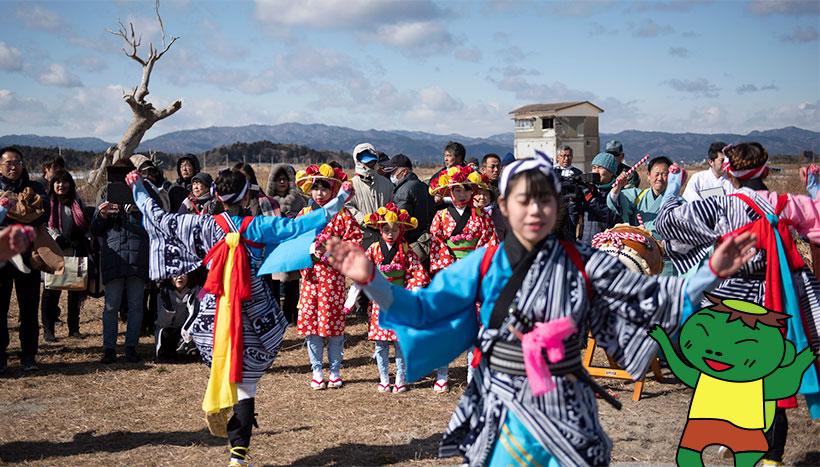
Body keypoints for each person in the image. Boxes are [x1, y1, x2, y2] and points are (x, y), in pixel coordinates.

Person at [324, 149, 757, 466]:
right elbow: (421, 310)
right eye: (523, 200)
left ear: (557, 205)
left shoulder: (585, 262)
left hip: (566, 411)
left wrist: (710, 273)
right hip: (501, 410)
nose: (535, 210)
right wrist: (372, 280)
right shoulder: (484, 265)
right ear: (503, 208)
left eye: (544, 199)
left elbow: (653, 298)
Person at [125, 166, 353, 467]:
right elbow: (304, 224)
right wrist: (341, 199)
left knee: (223, 367)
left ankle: (219, 404)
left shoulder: (204, 225)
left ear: (217, 195)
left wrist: (138, 188)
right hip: (255, 314)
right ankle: (238, 455)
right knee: (247, 386)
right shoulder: (258, 227)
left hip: (216, 314)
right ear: (247, 197)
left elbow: (159, 219)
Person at [655, 142, 820, 466]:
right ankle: (772, 458)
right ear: (764, 169)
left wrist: (675, 187)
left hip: (736, 303)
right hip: (786, 301)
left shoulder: (719, 208)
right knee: (771, 379)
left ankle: (735, 439)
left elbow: (666, 223)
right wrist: (814, 189)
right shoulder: (786, 204)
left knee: (737, 379)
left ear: (729, 172)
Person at [345, 203, 430, 393]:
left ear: (401, 229)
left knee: (400, 343)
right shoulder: (374, 249)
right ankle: (384, 378)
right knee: (380, 344)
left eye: (395, 229)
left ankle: (400, 378)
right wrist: (351, 300)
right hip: (379, 303)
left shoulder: (406, 250)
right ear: (379, 230)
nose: (390, 233)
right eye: (386, 229)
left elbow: (416, 273)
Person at [428, 165, 497, 392]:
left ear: (472, 191)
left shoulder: (481, 217)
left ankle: (472, 374)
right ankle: (442, 375)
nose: (461, 194)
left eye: (466, 190)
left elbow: (489, 244)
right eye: (456, 190)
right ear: (449, 192)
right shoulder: (440, 217)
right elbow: (437, 244)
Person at [294, 164, 362, 390]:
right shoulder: (304, 214)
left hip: (332, 279)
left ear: (334, 190)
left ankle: (334, 370)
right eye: (315, 188)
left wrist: (333, 249)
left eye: (325, 188)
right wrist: (309, 248)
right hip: (311, 278)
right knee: (312, 326)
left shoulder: (343, 215)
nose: (320, 193)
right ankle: (316, 369)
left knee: (333, 326)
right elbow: (293, 241)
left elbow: (356, 241)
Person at [91, 158, 149, 364]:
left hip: (137, 255)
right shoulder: (106, 193)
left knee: (135, 305)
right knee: (111, 305)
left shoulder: (142, 192)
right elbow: (95, 229)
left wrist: (140, 212)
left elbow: (155, 223)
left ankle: (131, 346)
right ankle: (109, 348)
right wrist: (102, 214)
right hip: (114, 253)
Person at [0, 146, 49, 372]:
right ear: (0, 167)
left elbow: (44, 211)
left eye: (17, 162)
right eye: (8, 162)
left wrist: (18, 207)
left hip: (29, 256)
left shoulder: (35, 187)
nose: (13, 166)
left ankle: (28, 355)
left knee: (28, 309)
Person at [41, 170, 89, 341]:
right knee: (51, 291)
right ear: (52, 184)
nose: (61, 185)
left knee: (74, 291)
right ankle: (48, 330)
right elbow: (44, 225)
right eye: (58, 182)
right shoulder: (47, 202)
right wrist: (57, 237)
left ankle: (74, 329)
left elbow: (84, 224)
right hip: (53, 251)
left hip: (75, 249)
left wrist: (78, 239)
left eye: (65, 181)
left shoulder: (77, 202)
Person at [265, 163, 307, 324]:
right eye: (278, 179)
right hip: (274, 248)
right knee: (274, 284)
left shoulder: (300, 200)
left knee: (292, 282)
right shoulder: (267, 201)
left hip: (293, 246)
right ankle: (276, 316)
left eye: (285, 179)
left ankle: (292, 316)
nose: (282, 182)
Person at [381, 154, 435, 264]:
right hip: (427, 242)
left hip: (412, 244)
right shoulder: (424, 186)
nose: (391, 175)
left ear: (404, 172)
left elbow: (400, 221)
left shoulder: (404, 191)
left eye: (393, 172)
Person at [607, 156, 675, 240]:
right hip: (636, 246)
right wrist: (617, 187)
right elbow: (615, 200)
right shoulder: (637, 196)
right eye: (656, 174)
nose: (660, 178)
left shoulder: (678, 203)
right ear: (649, 176)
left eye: (664, 174)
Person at [346, 143, 393, 248]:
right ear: (359, 162)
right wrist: (364, 219)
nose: (370, 165)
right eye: (367, 162)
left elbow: (393, 204)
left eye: (372, 162)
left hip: (384, 237)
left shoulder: (387, 183)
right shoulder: (350, 185)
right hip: (363, 239)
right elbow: (347, 207)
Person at [154, 273, 200, 363]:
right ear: (170, 278)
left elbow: (194, 314)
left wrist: (185, 330)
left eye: (184, 274)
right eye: (175, 275)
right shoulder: (163, 292)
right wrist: (168, 309)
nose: (179, 277)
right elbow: (162, 323)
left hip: (184, 329)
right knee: (165, 336)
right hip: (166, 329)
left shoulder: (194, 291)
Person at [579, 152, 620, 244]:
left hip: (606, 244)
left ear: (611, 172)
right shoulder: (589, 189)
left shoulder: (616, 191)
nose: (596, 171)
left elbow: (607, 214)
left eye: (600, 168)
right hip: (585, 242)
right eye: (594, 167)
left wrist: (589, 197)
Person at [429, 141, 467, 208]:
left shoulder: (469, 175)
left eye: (449, 156)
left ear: (459, 157)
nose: (445, 159)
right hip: (444, 212)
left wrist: (444, 199)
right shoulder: (437, 176)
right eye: (445, 155)